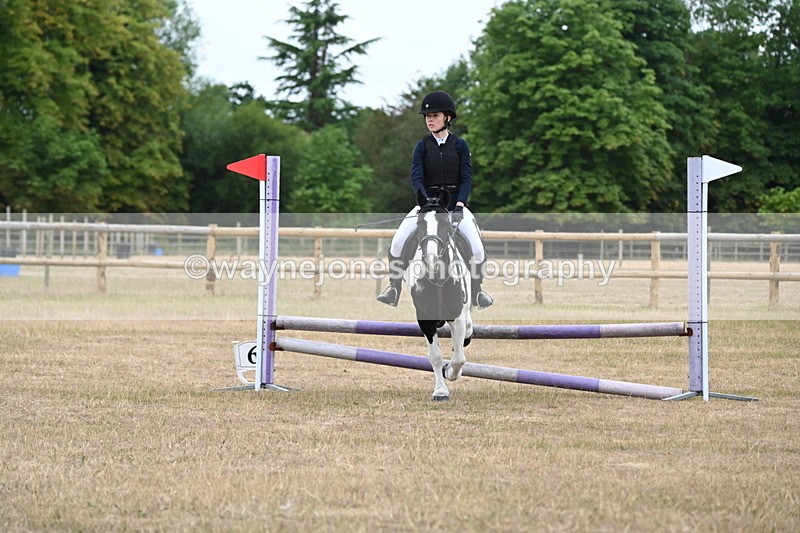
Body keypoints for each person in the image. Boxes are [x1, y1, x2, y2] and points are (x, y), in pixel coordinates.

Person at [377, 90, 494, 309]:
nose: (429, 120)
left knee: (477, 248)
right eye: (427, 117)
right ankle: (394, 287)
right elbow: (417, 177)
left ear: (447, 118)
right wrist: (425, 201)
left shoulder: (460, 146)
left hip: (453, 207)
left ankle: (477, 291)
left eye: (435, 116)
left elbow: (466, 179)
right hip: (427, 207)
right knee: (398, 242)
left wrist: (460, 204)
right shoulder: (421, 147)